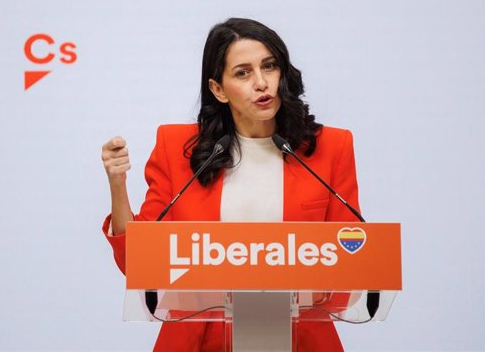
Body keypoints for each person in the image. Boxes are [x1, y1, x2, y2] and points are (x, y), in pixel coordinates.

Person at [101, 18, 362, 351]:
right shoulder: (178, 149)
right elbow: (138, 264)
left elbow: (351, 260)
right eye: (243, 72)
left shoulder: (330, 148)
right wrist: (117, 184)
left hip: (298, 337)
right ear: (218, 89)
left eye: (269, 67)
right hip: (200, 339)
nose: (261, 83)